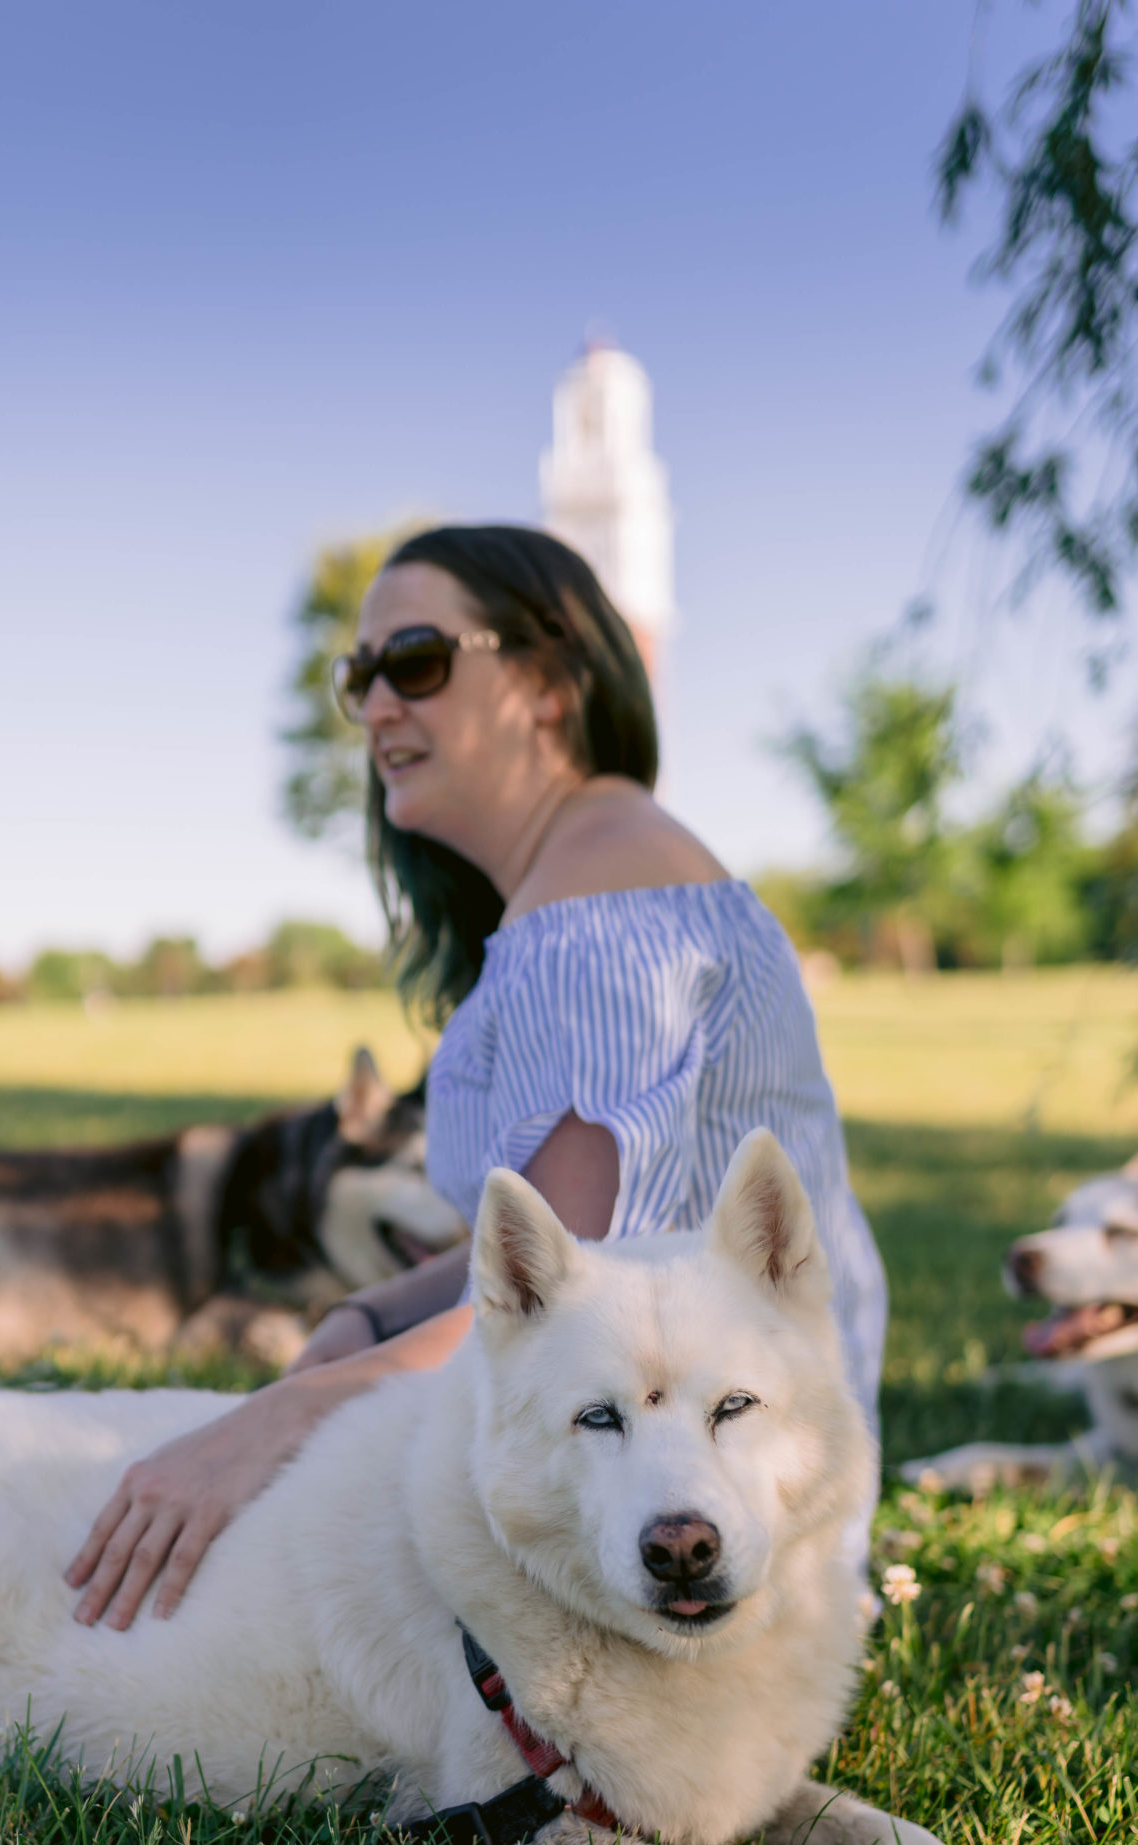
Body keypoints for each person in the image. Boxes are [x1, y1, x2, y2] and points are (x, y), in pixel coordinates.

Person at [66, 523, 886, 1630]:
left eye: (416, 662)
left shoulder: (602, 900)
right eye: (359, 677)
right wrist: (364, 1314)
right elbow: (563, 1265)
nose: (376, 706)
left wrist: (270, 1423)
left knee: (177, 1566)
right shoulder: (593, 872)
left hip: (693, 1499)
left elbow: (583, 1276)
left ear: (548, 685)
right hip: (639, 1442)